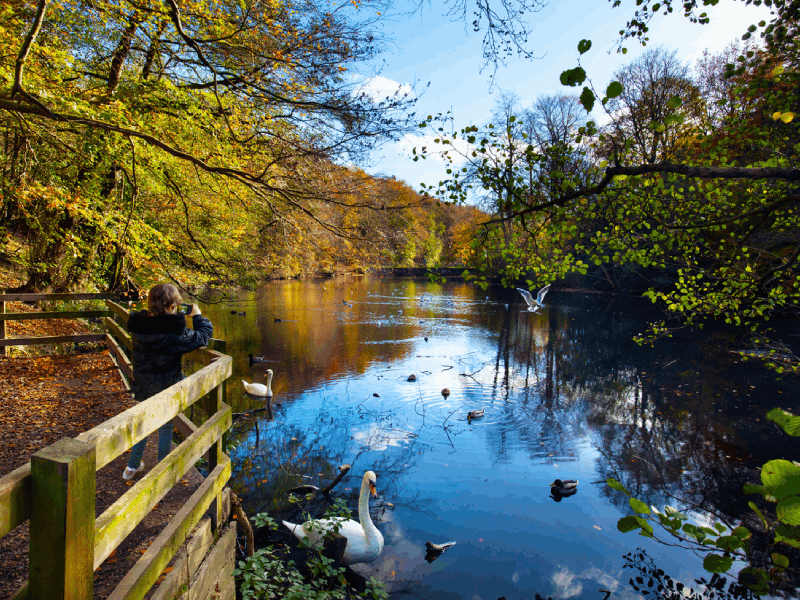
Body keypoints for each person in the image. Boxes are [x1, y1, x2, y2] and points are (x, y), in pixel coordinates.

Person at [122, 283, 213, 480]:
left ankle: (131, 467)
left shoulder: (140, 325)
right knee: (165, 427)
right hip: (166, 384)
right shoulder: (174, 331)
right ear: (173, 305)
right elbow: (203, 336)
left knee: (144, 423)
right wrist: (197, 316)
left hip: (144, 382)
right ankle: (162, 471)